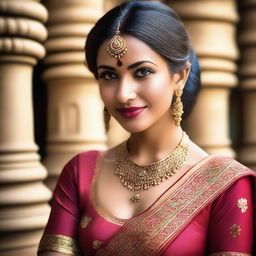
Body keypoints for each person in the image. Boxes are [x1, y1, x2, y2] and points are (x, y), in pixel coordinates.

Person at [38, 1, 255, 255]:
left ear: (180, 76)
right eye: (108, 75)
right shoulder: (81, 171)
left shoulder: (225, 184)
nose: (123, 94)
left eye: (142, 72)